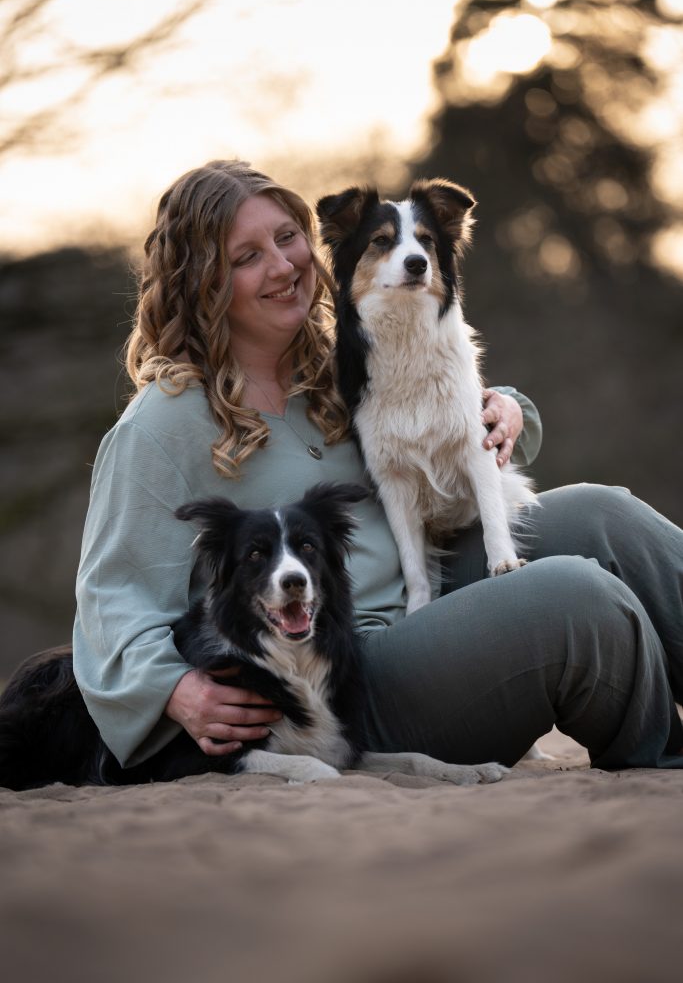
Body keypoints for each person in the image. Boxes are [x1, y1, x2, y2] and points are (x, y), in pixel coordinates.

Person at [73, 159, 683, 773]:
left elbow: (443, 436)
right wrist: (173, 691)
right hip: (340, 679)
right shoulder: (161, 425)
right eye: (247, 257)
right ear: (203, 281)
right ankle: (661, 761)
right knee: (573, 598)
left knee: (606, 515)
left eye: (288, 238)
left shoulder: (331, 364)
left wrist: (504, 411)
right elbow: (112, 595)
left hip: (433, 590)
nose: (284, 266)